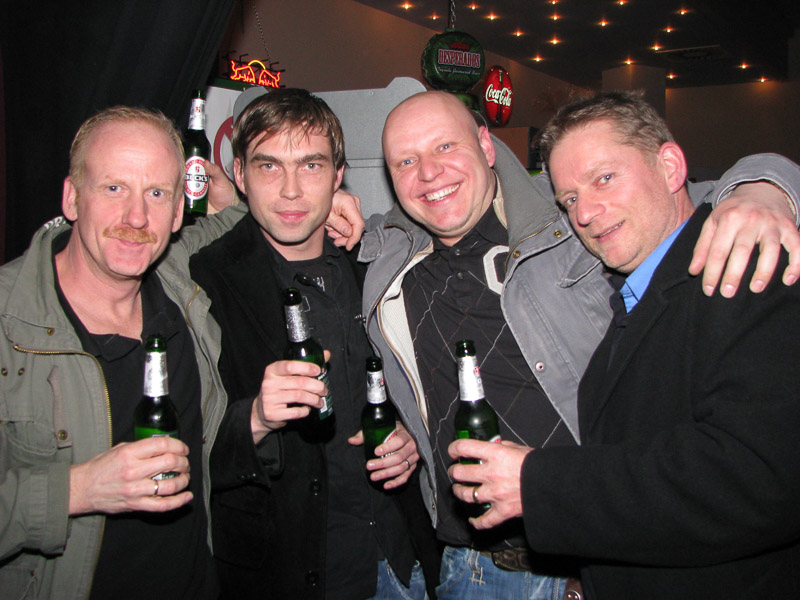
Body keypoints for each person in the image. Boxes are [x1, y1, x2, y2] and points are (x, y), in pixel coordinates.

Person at [359, 89, 800, 599]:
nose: (429, 172)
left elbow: (697, 200)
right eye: (405, 161)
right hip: (469, 564)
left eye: (445, 146)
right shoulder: (390, 260)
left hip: (596, 551)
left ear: (485, 144)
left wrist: (765, 189)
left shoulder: (566, 217)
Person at [189, 88, 434, 600]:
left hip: (401, 554)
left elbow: (423, 379)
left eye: (311, 166)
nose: (292, 191)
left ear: (338, 175)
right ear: (239, 175)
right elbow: (185, 442)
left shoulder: (375, 263)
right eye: (269, 166)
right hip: (290, 571)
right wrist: (255, 417)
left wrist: (413, 436)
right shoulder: (204, 281)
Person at [0, 106, 251, 599]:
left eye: (156, 193)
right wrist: (80, 489)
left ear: (178, 212)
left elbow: (272, 211)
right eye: (114, 188)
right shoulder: (9, 318)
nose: (136, 217)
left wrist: (332, 202)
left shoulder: (178, 280)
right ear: (72, 198)